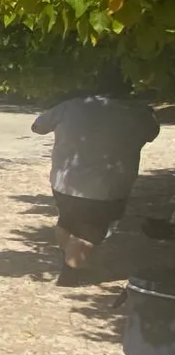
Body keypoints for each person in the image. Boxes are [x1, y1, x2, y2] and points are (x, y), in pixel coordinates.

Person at [32, 88, 160, 286]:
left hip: (64, 181)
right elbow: (152, 134)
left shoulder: (70, 106)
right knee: (90, 231)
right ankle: (70, 273)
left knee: (67, 220)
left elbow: (37, 127)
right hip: (109, 185)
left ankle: (68, 260)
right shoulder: (138, 112)